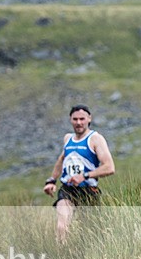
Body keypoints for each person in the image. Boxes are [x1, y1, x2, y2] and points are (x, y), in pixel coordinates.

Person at [43, 104, 115, 243]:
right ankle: (61, 258)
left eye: (82, 119)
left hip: (88, 191)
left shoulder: (95, 139)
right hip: (68, 190)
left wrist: (85, 176)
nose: (79, 123)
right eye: (75, 119)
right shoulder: (68, 139)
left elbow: (109, 167)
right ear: (70, 120)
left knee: (91, 234)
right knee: (61, 226)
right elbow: (61, 159)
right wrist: (51, 181)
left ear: (89, 119)